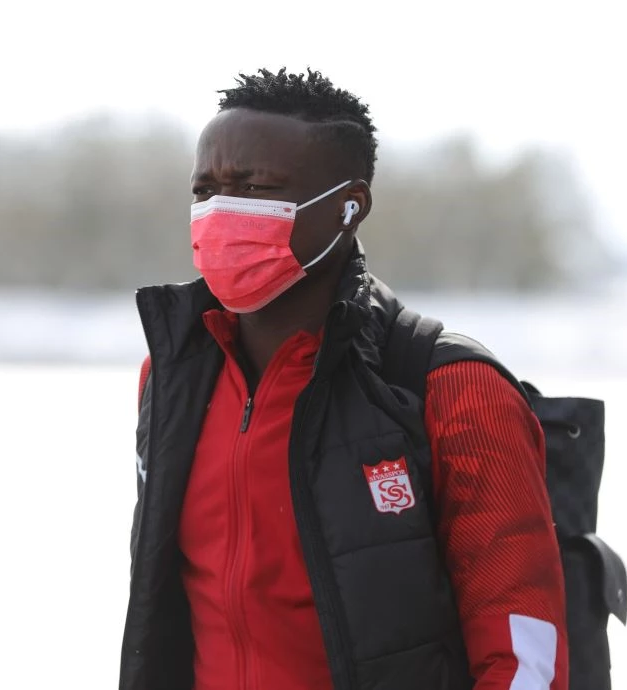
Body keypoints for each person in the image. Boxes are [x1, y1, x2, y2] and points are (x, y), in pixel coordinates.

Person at [120, 67, 568, 690]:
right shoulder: (172, 377)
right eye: (206, 191)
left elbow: (523, 652)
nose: (223, 211)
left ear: (349, 205)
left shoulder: (450, 387)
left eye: (255, 187)